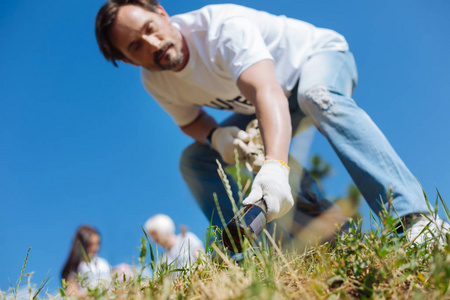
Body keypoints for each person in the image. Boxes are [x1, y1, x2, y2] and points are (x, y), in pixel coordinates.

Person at [95, 1, 449, 245]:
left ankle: (416, 220)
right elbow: (190, 121)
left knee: (315, 95)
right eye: (136, 47)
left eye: (150, 28)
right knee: (196, 160)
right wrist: (217, 136)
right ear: (128, 61)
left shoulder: (220, 28)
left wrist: (275, 166)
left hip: (315, 63)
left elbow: (267, 92)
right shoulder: (155, 81)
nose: (153, 44)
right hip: (268, 102)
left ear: (161, 12)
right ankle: (311, 239)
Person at [61, 225, 112, 296]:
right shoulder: (76, 268)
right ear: (83, 244)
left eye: (97, 243)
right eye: (91, 244)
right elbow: (72, 294)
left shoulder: (103, 263)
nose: (95, 248)